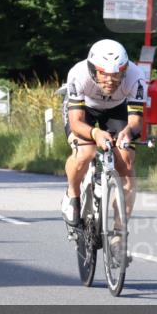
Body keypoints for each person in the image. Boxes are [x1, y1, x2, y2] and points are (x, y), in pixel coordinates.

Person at [61, 40, 146, 259]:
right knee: (85, 153)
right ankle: (72, 194)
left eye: (118, 74)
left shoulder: (136, 77)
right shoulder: (78, 74)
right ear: (92, 70)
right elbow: (77, 121)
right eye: (104, 74)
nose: (111, 80)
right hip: (84, 111)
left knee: (126, 162)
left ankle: (119, 234)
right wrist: (95, 134)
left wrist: (127, 132)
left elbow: (136, 121)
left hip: (117, 109)